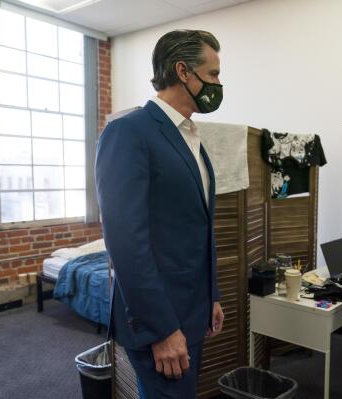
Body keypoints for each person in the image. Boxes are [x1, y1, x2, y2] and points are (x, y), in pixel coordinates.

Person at [95, 30, 225, 399]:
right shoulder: (129, 132)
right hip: (160, 322)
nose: (218, 84)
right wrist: (162, 330)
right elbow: (125, 243)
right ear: (183, 71)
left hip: (192, 311)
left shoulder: (190, 137)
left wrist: (211, 295)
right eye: (213, 74)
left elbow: (197, 228)